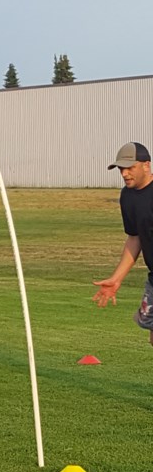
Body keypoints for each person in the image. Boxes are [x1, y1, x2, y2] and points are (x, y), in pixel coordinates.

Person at [92, 141, 153, 343]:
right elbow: (135, 237)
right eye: (121, 169)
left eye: (130, 168)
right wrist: (116, 279)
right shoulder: (127, 196)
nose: (125, 174)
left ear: (146, 165)